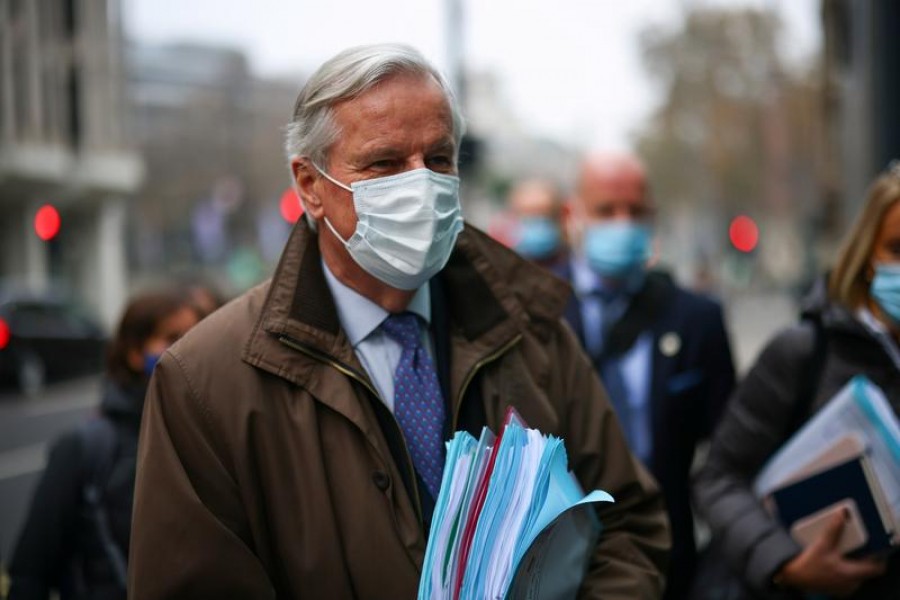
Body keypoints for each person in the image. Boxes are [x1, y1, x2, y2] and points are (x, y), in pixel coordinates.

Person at [127, 44, 670, 599]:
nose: (422, 185)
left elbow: (628, 523)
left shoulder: (532, 328)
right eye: (385, 163)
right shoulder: (205, 382)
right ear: (310, 186)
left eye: (439, 159)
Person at [694, 165, 900, 599]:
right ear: (866, 258)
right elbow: (718, 479)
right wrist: (784, 562)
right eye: (897, 249)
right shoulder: (805, 351)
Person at [560, 151, 736, 599]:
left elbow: (729, 449)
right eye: (606, 211)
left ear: (652, 216)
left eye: (635, 211)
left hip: (667, 554)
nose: (622, 224)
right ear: (573, 215)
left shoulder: (697, 318)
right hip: (561, 556)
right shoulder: (536, 310)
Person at [8, 288, 201, 600]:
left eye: (196, 336)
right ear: (134, 352)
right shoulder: (83, 449)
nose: (188, 349)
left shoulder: (208, 436)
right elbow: (30, 573)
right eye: (172, 337)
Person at [504, 178, 570, 269]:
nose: (536, 225)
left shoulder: (580, 271)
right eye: (527, 219)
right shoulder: (503, 268)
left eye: (544, 216)